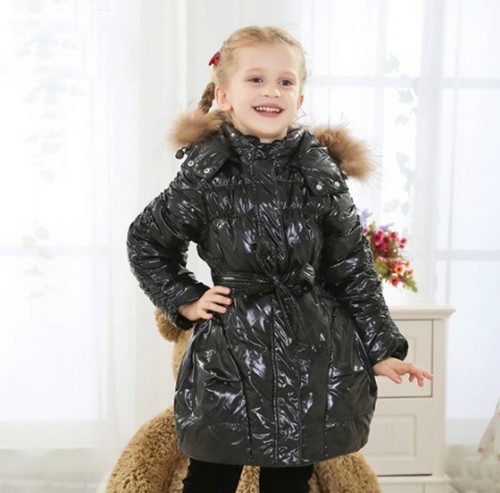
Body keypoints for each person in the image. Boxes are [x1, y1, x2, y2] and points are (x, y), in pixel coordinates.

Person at [126, 25, 434, 493]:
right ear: (225, 95)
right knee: (211, 472)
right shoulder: (206, 174)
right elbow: (147, 240)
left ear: (300, 97)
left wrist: (381, 348)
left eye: (285, 82)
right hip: (230, 353)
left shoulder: (320, 174)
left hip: (310, 351)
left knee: (290, 476)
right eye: (256, 79)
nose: (271, 91)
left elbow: (351, 268)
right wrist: (186, 298)